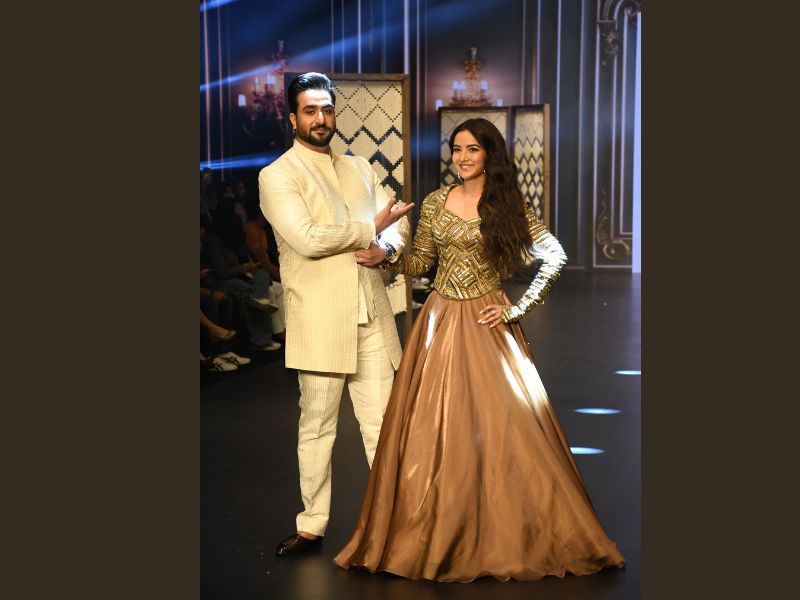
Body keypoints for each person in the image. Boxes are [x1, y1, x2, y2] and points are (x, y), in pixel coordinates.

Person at [333, 118, 625, 582]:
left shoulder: (507, 204)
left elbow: (556, 255)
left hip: (487, 321)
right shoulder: (436, 201)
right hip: (438, 322)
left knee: (507, 427)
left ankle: (504, 529)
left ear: (490, 153)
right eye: (457, 149)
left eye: (472, 149)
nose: (463, 157)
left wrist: (518, 308)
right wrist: (386, 255)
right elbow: (423, 261)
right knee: (431, 427)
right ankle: (437, 527)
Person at [259, 72, 414, 557]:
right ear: (292, 118)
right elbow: (307, 239)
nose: (321, 118)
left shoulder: (360, 166)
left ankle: (393, 522)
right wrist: (370, 229)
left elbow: (398, 222)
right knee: (318, 428)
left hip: (372, 316)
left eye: (326, 109)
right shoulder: (278, 175)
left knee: (383, 426)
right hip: (322, 319)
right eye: (310, 110)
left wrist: (386, 249)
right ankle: (311, 526)